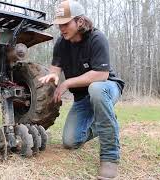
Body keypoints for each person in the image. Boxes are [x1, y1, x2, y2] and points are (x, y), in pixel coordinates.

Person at [39, 0, 125, 179]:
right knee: (70, 141)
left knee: (96, 89)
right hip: (82, 99)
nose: (61, 28)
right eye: (59, 24)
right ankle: (106, 120)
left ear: (79, 21)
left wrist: (67, 83)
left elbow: (101, 75)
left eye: (65, 23)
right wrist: (54, 76)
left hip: (107, 88)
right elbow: (55, 68)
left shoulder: (96, 38)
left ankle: (110, 157)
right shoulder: (61, 43)